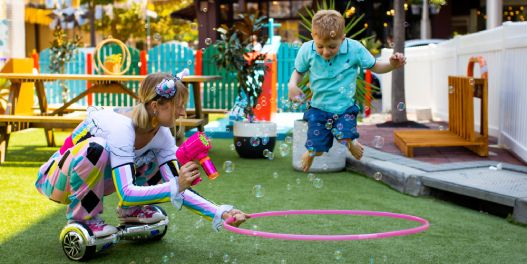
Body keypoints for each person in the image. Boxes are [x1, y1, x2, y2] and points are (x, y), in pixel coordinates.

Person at [35, 71, 249, 238]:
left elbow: (176, 183)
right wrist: (176, 185)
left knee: (156, 159)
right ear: (155, 106)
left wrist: (221, 213)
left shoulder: (162, 133)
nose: (183, 113)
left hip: (97, 180)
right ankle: (83, 220)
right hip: (58, 181)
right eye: (178, 106)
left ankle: (132, 212)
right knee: (96, 148)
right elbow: (127, 191)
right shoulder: (122, 128)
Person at [288, 10, 406, 172]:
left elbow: (376, 66)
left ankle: (351, 142)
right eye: (320, 46)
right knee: (318, 147)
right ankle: (311, 152)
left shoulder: (355, 49)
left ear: (342, 38)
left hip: (344, 108)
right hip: (318, 108)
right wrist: (292, 84)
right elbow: (298, 72)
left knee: (346, 133)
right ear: (312, 36)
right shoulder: (307, 50)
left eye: (332, 46)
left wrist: (392, 65)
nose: (326, 52)